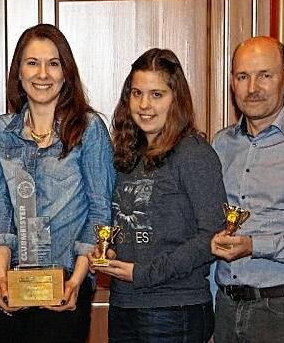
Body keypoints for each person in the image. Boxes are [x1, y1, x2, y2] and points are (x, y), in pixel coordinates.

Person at [0, 23, 115, 343]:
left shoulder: (89, 128)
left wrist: (78, 281)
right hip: (11, 281)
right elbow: (0, 207)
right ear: (18, 72)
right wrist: (0, 277)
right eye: (32, 63)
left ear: (65, 73)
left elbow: (100, 210)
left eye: (53, 63)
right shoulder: (0, 131)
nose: (42, 73)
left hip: (67, 282)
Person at [90, 48, 225, 342]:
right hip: (124, 304)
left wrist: (144, 273)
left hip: (175, 309)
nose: (144, 105)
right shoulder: (126, 155)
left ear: (176, 99)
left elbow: (213, 236)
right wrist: (107, 252)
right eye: (137, 93)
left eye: (156, 94)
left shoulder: (193, 153)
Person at [211, 36, 284, 343]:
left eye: (264, 75)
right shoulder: (221, 144)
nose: (252, 87)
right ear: (232, 81)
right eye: (243, 76)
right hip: (226, 309)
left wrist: (257, 245)